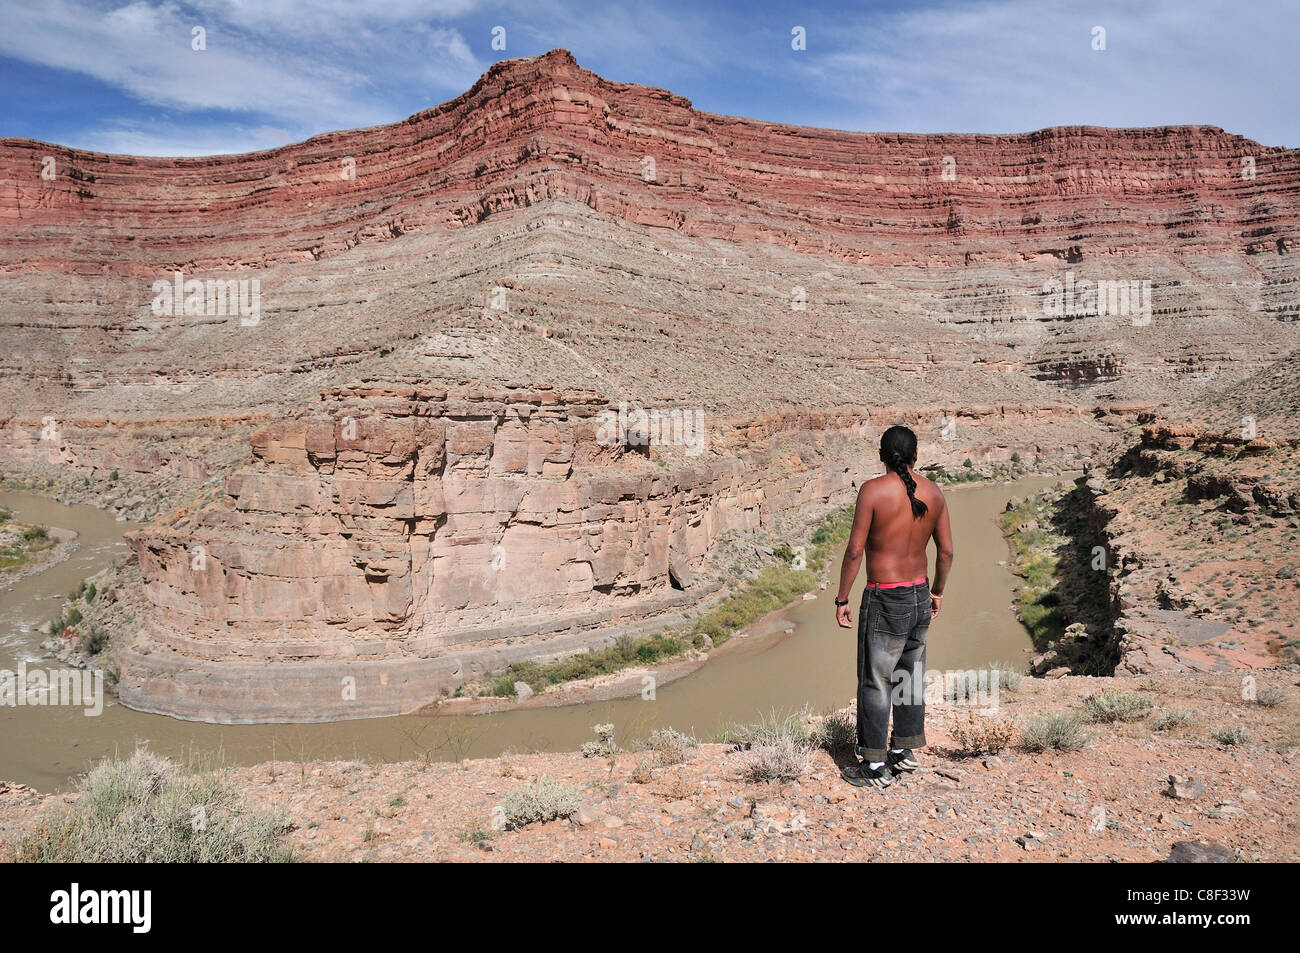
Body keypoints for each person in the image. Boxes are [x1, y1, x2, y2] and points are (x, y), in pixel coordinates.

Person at [834, 425, 953, 789]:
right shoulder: (934, 492)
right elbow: (946, 552)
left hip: (885, 596)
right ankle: (903, 750)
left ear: (881, 455)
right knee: (908, 674)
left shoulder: (872, 491)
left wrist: (842, 598)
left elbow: (855, 550)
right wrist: (937, 592)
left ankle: (872, 764)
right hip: (919, 594)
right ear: (916, 456)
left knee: (876, 679)